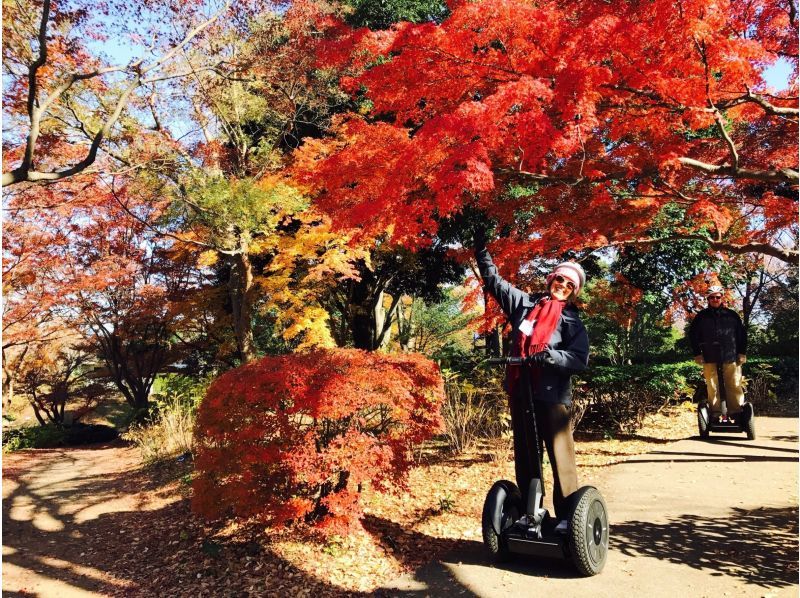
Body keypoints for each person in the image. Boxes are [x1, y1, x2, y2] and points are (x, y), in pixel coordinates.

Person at [474, 235, 589, 527]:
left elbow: (578, 358)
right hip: (522, 391)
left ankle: (567, 517)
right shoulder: (524, 305)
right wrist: (481, 250)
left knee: (560, 455)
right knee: (526, 455)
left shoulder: (572, 321)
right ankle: (530, 511)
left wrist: (552, 357)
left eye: (569, 284)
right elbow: (495, 283)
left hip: (552, 395)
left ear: (574, 291)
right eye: (559, 280)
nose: (562, 286)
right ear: (552, 279)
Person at [688, 284, 748, 420]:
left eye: (718, 297)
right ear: (708, 299)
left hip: (730, 354)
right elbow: (693, 335)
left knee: (734, 384)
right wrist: (697, 353)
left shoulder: (732, 315)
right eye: (712, 297)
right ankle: (715, 413)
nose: (715, 299)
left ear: (722, 298)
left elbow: (741, 335)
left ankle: (736, 412)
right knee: (712, 385)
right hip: (709, 355)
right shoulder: (701, 317)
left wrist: (742, 352)